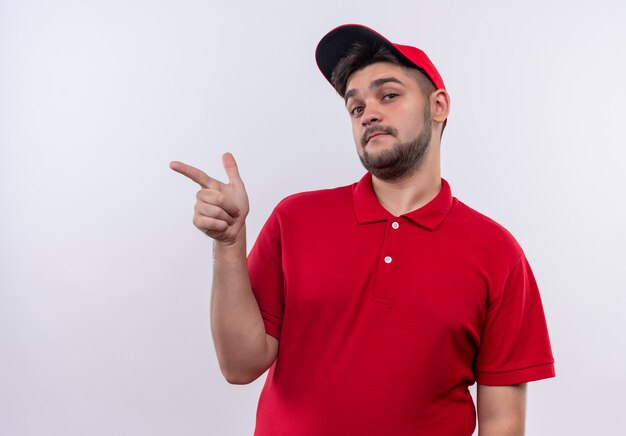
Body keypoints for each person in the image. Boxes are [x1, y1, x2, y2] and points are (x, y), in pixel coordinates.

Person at [170, 24, 555, 436]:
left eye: (388, 95)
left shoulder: (496, 252)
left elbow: (502, 422)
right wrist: (229, 243)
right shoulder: (296, 218)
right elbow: (239, 365)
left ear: (438, 105)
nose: (368, 113)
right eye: (356, 108)